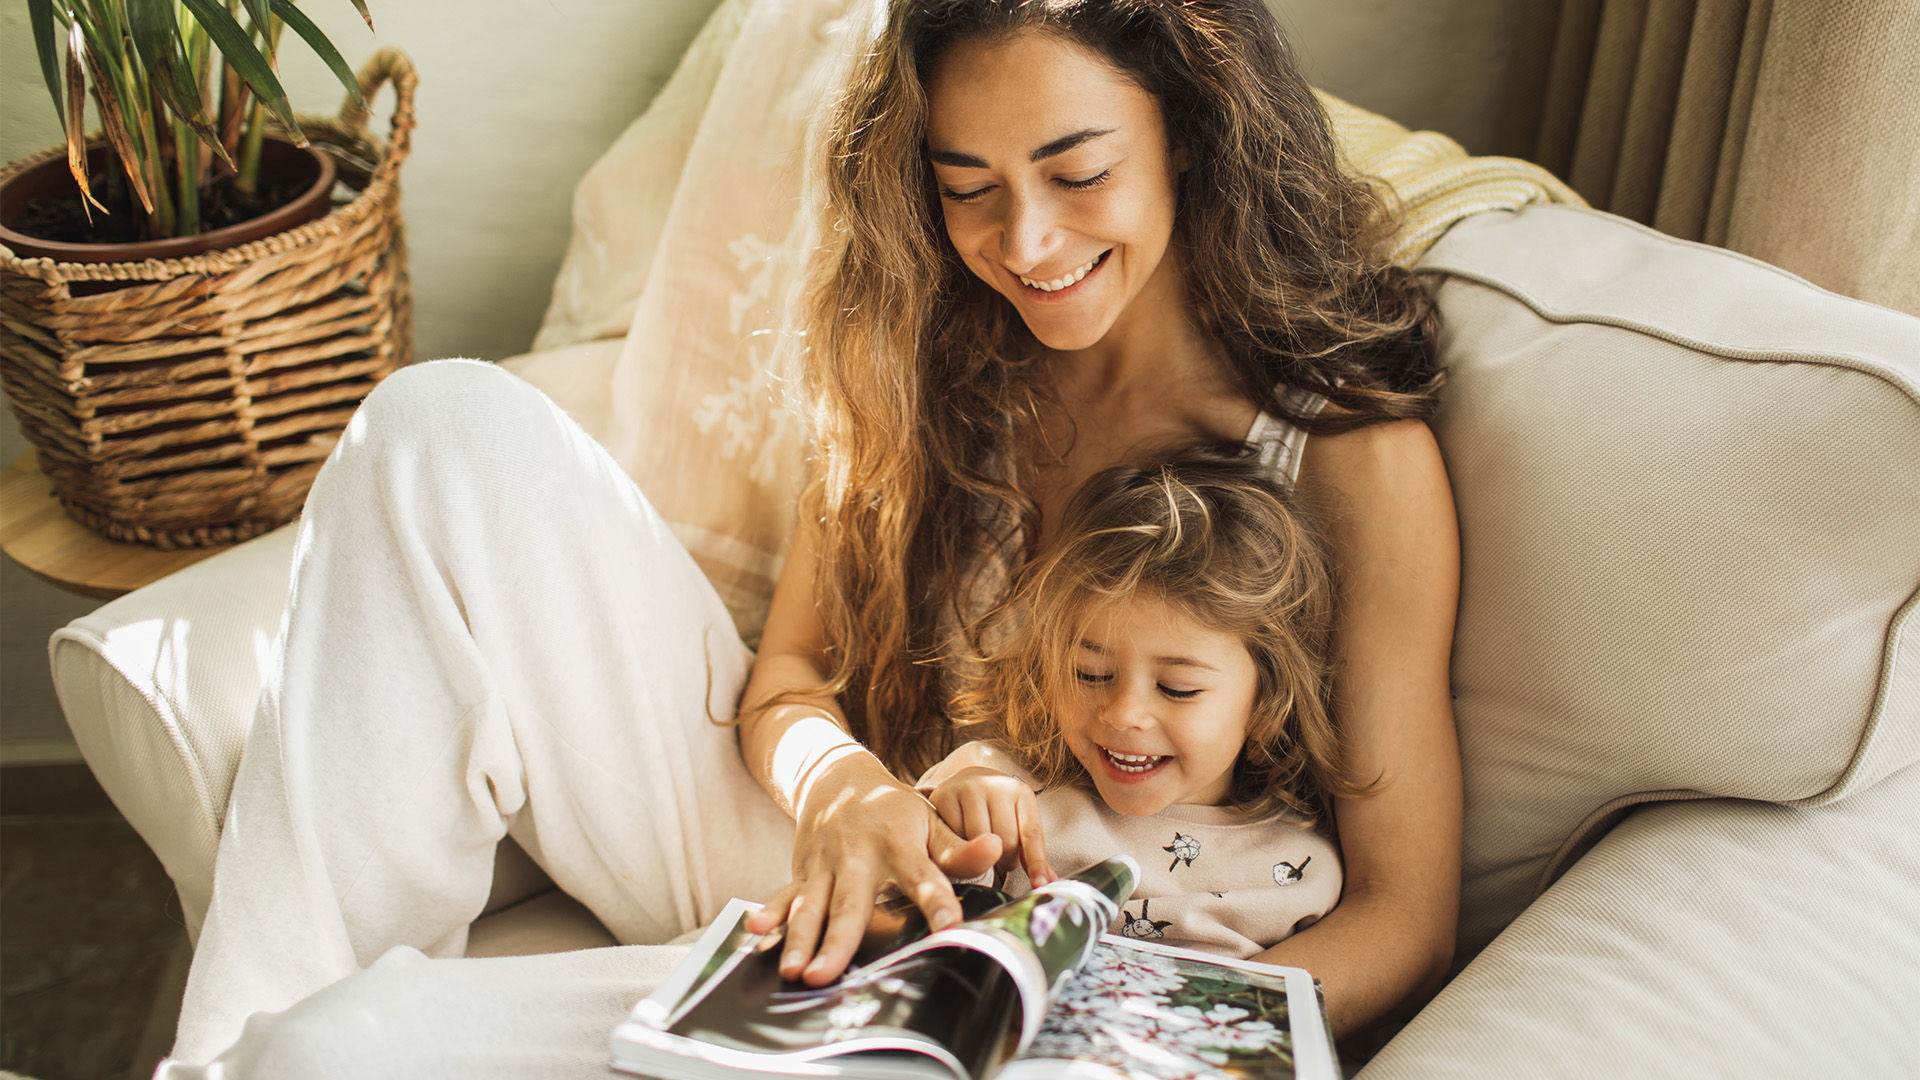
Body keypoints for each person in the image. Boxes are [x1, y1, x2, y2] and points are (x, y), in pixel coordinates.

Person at [163, 0, 1460, 1073]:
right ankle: (223, 1045)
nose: (1026, 242)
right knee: (436, 426)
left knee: (331, 1054)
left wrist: (1148, 1032)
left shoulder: (1350, 458)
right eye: (969, 188)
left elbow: (1404, 913)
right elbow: (789, 679)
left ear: (1189, 131)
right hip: (824, 847)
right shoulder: (929, 355)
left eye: (1078, 174)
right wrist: (843, 789)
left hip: (1033, 966)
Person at [917, 446, 1365, 960]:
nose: (1123, 713)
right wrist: (946, 818)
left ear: (1266, 708)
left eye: (1177, 688)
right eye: (1091, 674)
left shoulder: (1300, 872)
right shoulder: (1001, 790)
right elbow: (893, 899)